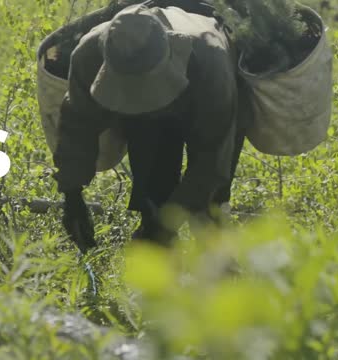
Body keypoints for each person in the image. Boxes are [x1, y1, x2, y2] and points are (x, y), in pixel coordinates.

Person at [53, 4, 251, 252]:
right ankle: (157, 265)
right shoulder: (88, 55)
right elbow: (78, 126)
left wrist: (168, 223)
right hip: (145, 123)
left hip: (205, 97)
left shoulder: (210, 59)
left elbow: (212, 160)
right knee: (153, 194)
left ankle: (219, 267)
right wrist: (72, 197)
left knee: (210, 206)